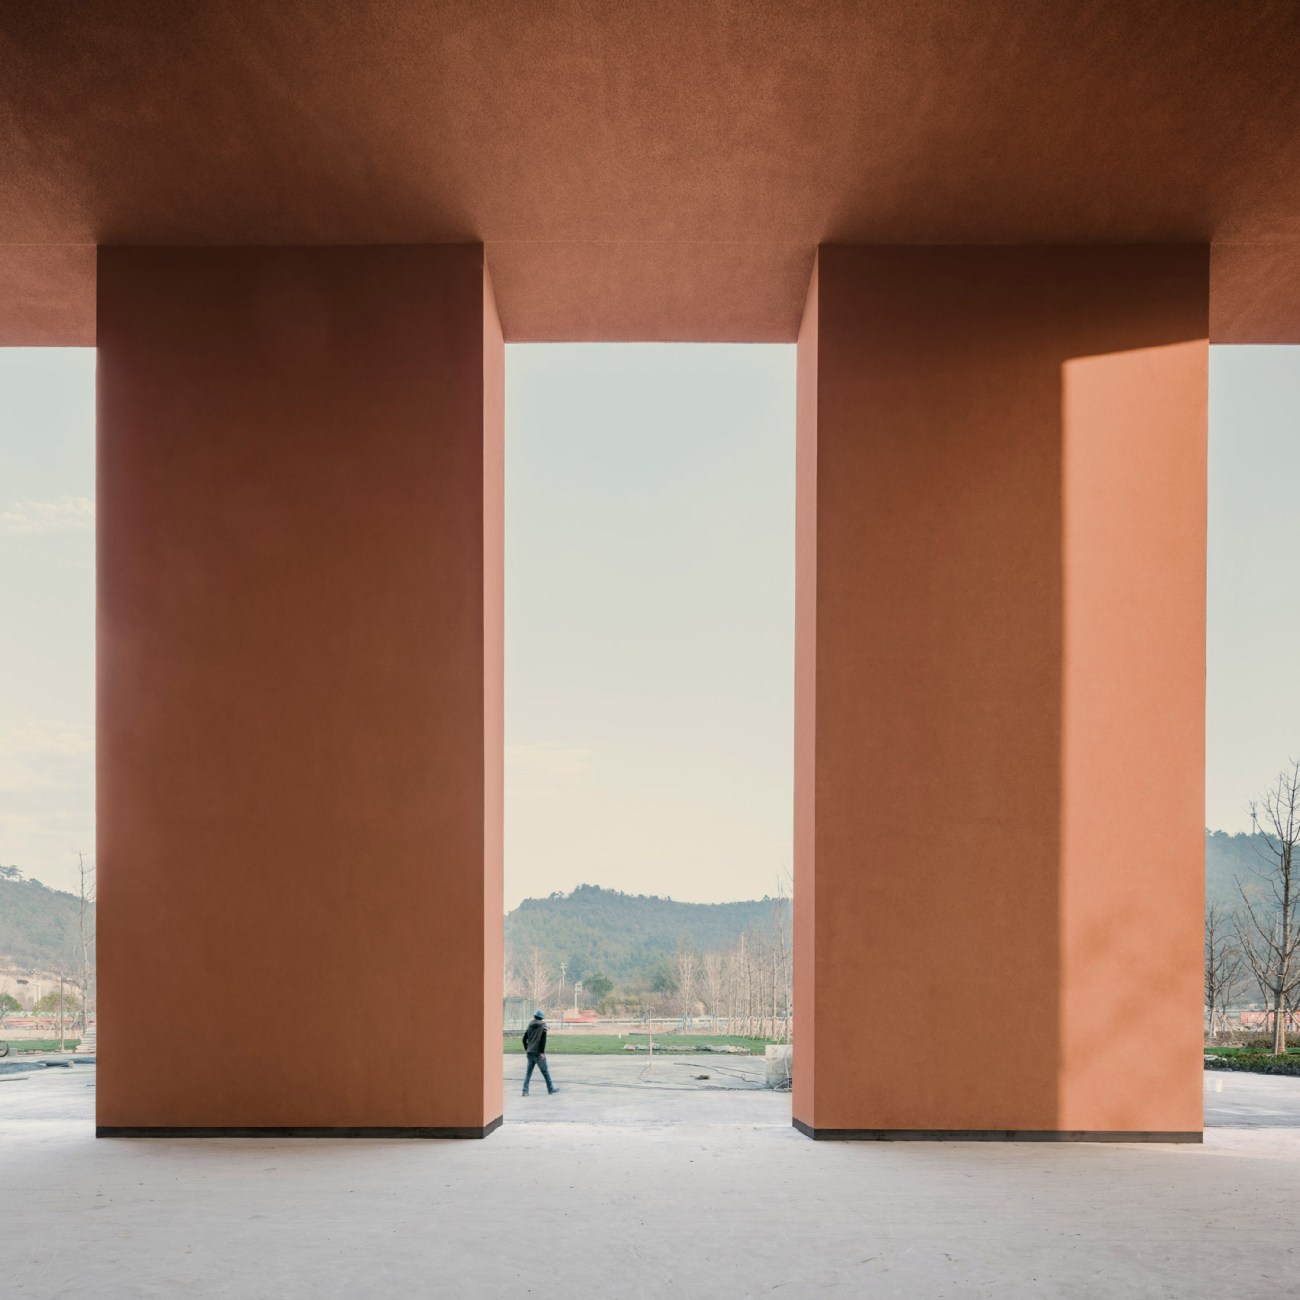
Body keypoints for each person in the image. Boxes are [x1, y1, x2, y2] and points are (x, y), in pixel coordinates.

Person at [522, 1010, 558, 1096]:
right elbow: (543, 1040)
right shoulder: (543, 1026)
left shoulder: (530, 1025)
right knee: (545, 1072)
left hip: (530, 1052)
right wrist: (542, 1052)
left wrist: (527, 1048)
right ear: (541, 1018)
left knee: (528, 1073)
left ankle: (525, 1091)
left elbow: (524, 1039)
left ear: (534, 1016)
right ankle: (550, 1089)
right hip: (538, 1053)